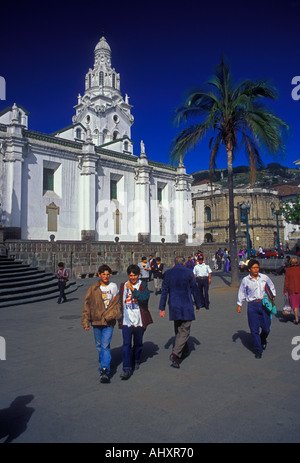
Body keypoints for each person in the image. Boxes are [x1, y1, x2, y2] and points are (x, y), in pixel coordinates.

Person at [159, 256, 201, 368]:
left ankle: (183, 350)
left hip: (174, 305)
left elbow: (164, 292)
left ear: (174, 262)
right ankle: (175, 354)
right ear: (184, 263)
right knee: (185, 330)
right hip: (186, 304)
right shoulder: (188, 272)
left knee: (178, 329)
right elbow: (194, 289)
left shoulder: (168, 273)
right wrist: (198, 303)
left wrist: (161, 307)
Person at [81, 264, 121, 383]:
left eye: (108, 274)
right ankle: (105, 359)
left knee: (105, 345)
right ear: (99, 275)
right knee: (99, 345)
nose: (106, 276)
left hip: (109, 321)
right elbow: (86, 305)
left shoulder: (113, 286)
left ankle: (104, 369)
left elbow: (118, 304)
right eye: (103, 274)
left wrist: (113, 315)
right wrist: (85, 321)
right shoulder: (93, 288)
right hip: (96, 320)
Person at [237, 259, 276, 359]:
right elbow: (242, 292)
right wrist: (239, 304)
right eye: (254, 268)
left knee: (266, 327)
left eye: (257, 267)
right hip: (252, 306)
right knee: (254, 329)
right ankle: (258, 349)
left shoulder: (264, 277)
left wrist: (273, 296)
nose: (256, 269)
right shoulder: (246, 280)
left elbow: (271, 286)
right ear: (249, 269)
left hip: (264, 304)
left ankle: (263, 338)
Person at [119, 264, 153, 379]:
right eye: (131, 275)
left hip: (139, 319)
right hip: (127, 319)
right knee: (126, 344)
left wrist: (133, 290)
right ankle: (127, 368)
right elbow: (119, 301)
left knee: (138, 342)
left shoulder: (142, 285)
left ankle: (136, 359)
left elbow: (144, 298)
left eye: (135, 275)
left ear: (138, 275)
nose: (133, 277)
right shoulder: (123, 286)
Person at [284, 257, 300, 324]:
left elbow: (286, 281)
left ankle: (296, 319)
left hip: (292, 289)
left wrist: (285, 290)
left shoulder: (288, 270)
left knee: (295, 305)